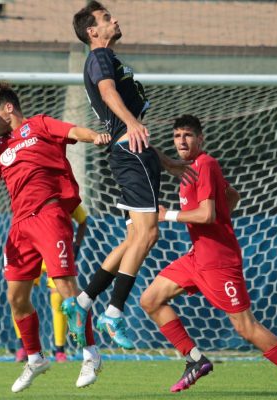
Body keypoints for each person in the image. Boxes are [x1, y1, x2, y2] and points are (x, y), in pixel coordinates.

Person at [139, 114, 277, 399]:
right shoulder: (191, 168)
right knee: (150, 299)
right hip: (198, 256)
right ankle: (195, 360)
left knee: (245, 327)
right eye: (177, 135)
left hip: (219, 262)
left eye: (188, 135)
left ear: (201, 139)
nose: (182, 140)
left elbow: (207, 214)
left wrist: (168, 216)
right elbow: (232, 196)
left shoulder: (207, 163)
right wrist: (216, 227)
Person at [0, 82, 110, 392]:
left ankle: (91, 354)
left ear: (8, 108)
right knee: (16, 297)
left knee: (66, 286)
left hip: (49, 216)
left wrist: (95, 137)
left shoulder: (38, 124)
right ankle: (36, 358)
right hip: (20, 226)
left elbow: (73, 131)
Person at [65, 1, 197, 349]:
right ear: (92, 31)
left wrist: (165, 159)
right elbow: (108, 93)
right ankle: (114, 311)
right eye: (106, 18)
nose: (115, 20)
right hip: (131, 154)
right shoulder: (99, 58)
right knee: (149, 233)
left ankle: (80, 303)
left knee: (134, 240)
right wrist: (132, 122)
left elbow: (120, 109)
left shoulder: (109, 59)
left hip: (137, 153)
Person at [13, 204, 88, 363]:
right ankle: (23, 346)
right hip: (29, 251)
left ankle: (59, 349)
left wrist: (76, 247)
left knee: (59, 300)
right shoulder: (28, 195)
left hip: (54, 251)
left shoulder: (65, 196)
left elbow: (83, 220)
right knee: (18, 298)